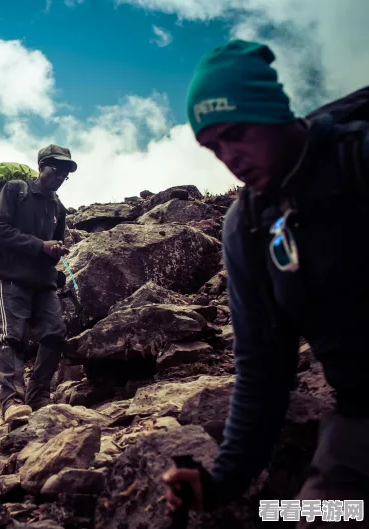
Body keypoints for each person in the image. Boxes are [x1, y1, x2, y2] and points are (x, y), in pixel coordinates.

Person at [163, 40, 369, 526]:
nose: (229, 157)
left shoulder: (358, 159)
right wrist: (217, 485)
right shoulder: (248, 227)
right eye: (213, 146)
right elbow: (262, 368)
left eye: (237, 134)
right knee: (305, 515)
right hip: (360, 418)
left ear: (273, 112)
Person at [0, 144, 76, 424]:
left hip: (43, 282)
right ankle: (12, 401)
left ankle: (38, 395)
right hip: (12, 277)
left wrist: (56, 250)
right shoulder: (16, 190)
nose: (60, 176)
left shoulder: (58, 207)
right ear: (41, 167)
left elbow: (56, 242)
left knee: (55, 334)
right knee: (11, 336)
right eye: (56, 169)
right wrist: (40, 246)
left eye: (65, 172)